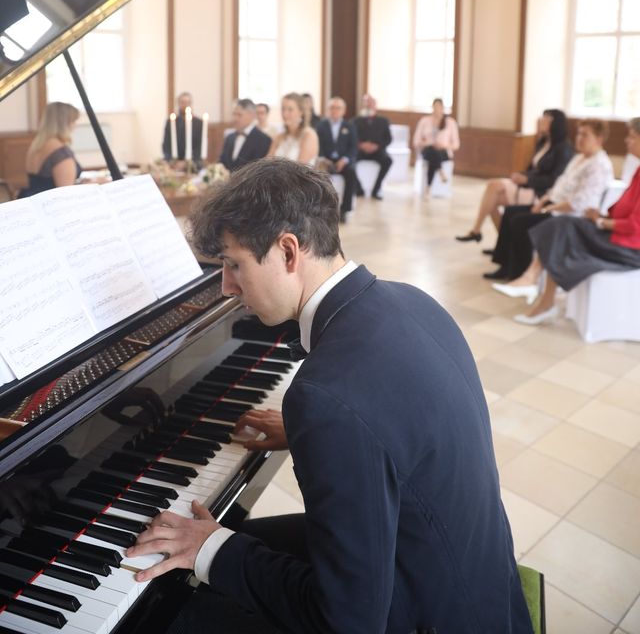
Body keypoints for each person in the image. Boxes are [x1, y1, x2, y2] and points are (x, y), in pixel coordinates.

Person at [126, 159, 533, 634]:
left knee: (179, 607)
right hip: (477, 582)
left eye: (234, 265)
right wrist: (311, 434)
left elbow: (347, 622)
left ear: (288, 251)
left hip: (430, 615)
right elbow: (391, 427)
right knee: (235, 544)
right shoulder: (411, 300)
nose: (227, 287)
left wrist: (210, 548)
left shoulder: (327, 399)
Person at [499, 117, 640, 325]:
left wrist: (601, 223)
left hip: (630, 248)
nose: (627, 141)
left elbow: (635, 226)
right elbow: (621, 211)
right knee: (559, 229)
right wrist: (601, 217)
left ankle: (537, 287)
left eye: (632, 137)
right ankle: (541, 294)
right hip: (619, 236)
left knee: (561, 228)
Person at [485, 119, 613, 281]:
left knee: (520, 221)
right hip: (555, 204)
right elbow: (560, 184)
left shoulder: (599, 165)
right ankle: (504, 265)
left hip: (570, 214)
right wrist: (543, 201)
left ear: (599, 139)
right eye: (579, 134)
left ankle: (518, 273)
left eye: (585, 135)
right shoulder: (579, 158)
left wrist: (547, 209)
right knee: (510, 213)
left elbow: (579, 203)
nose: (579, 138)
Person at [456, 108, 572, 243]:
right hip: (529, 184)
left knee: (493, 188)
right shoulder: (543, 142)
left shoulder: (563, 149)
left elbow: (554, 180)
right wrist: (521, 176)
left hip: (541, 192)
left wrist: (527, 179)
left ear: (555, 123)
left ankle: (478, 231)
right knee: (491, 199)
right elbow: (532, 168)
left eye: (546, 118)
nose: (542, 121)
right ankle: (503, 244)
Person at [19, 101, 81, 197]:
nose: (75, 125)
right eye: (74, 121)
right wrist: (94, 185)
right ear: (65, 122)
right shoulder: (61, 153)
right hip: (51, 206)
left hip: (34, 200)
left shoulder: (36, 145)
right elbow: (66, 193)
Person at [316, 96, 359, 223]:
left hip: (343, 161)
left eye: (338, 108)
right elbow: (317, 145)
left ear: (343, 111)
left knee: (351, 173)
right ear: (328, 109)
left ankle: (345, 209)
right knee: (319, 174)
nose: (334, 111)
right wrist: (323, 158)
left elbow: (353, 147)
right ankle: (323, 209)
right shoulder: (321, 126)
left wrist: (345, 160)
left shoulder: (349, 126)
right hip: (325, 160)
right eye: (332, 108)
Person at [413, 98, 460, 197]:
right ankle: (440, 171)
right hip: (427, 150)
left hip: (443, 152)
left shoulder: (450, 122)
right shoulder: (424, 121)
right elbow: (416, 141)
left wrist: (444, 145)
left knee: (435, 156)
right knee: (432, 152)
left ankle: (428, 189)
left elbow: (456, 145)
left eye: (439, 107)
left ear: (443, 108)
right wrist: (428, 143)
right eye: (435, 107)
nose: (437, 109)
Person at [353, 93, 393, 200]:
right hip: (360, 150)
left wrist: (377, 146)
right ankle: (358, 188)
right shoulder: (355, 121)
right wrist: (360, 144)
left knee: (387, 161)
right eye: (366, 103)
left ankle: (376, 189)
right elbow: (351, 138)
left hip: (377, 151)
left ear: (375, 105)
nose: (369, 106)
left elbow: (388, 139)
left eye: (371, 103)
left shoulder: (383, 121)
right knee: (350, 160)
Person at [218, 99, 271, 173]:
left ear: (251, 115)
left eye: (239, 115)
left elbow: (258, 171)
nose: (235, 118)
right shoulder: (230, 137)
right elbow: (221, 163)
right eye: (234, 114)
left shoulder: (263, 140)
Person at [269, 92, 319, 165]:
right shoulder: (279, 137)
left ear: (301, 112)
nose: (285, 114)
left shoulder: (309, 135)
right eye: (283, 109)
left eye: (290, 109)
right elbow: (266, 164)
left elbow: (300, 169)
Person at [162, 91, 203, 163]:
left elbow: (199, 146)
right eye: (183, 102)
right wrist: (172, 161)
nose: (185, 105)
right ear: (178, 104)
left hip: (193, 162)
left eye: (188, 102)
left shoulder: (198, 123)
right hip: (174, 163)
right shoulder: (171, 122)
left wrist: (188, 162)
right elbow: (166, 145)